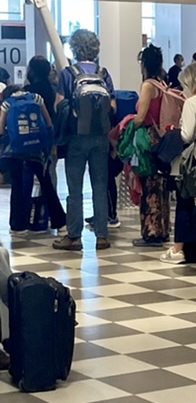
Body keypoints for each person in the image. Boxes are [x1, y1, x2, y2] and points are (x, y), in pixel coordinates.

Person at [53, 28, 115, 251]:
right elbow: (113, 106)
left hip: (76, 138)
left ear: (74, 48)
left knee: (75, 189)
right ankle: (102, 236)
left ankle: (74, 236)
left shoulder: (68, 74)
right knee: (100, 185)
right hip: (100, 137)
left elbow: (59, 105)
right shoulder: (103, 73)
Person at [160, 62, 196, 263]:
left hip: (190, 160)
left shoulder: (192, 103)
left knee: (184, 203)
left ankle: (178, 249)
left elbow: (187, 135)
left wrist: (174, 131)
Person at [0, 85, 66, 235]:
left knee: (17, 187)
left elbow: (0, 130)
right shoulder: (37, 99)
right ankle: (60, 222)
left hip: (15, 152)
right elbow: (49, 124)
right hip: (37, 151)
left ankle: (18, 226)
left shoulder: (7, 104)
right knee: (47, 185)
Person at [131, 45, 171, 246]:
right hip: (162, 139)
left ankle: (152, 231)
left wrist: (126, 126)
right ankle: (163, 228)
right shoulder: (162, 83)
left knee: (149, 186)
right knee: (161, 186)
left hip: (149, 139)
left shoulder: (148, 85)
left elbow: (141, 117)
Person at [24, 56, 59, 188]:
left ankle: (32, 199)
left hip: (31, 134)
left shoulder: (28, 90)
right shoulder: (54, 89)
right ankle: (50, 198)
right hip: (51, 134)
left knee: (30, 169)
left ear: (32, 71)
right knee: (50, 169)